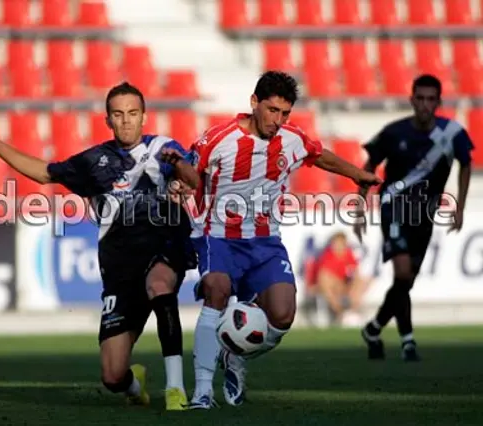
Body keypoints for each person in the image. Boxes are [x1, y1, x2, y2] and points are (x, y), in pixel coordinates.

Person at [0, 82, 200, 411]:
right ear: (108, 120)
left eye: (132, 113)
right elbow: (45, 174)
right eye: (118, 114)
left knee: (160, 283)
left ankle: (176, 389)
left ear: (144, 116)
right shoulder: (93, 160)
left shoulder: (163, 148)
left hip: (164, 247)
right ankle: (133, 384)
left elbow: (194, 180)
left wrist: (182, 168)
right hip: (120, 268)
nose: (126, 121)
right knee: (112, 376)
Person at [178, 70, 382, 409]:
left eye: (285, 113)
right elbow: (189, 168)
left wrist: (358, 173)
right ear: (254, 103)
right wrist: (179, 182)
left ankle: (235, 353)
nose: (278, 120)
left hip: (264, 242)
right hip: (219, 238)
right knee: (216, 291)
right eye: (272, 110)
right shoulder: (218, 138)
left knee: (283, 315)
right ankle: (201, 392)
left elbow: (320, 155)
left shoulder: (292, 138)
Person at [355, 74, 474, 362]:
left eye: (430, 99)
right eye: (419, 98)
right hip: (393, 207)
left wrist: (459, 207)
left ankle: (373, 329)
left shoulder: (452, 133)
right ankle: (408, 341)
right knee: (403, 273)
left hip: (425, 214)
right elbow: (369, 164)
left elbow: (466, 164)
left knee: (405, 283)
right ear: (411, 100)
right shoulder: (395, 133)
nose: (424, 105)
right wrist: (360, 207)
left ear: (438, 102)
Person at [304, 231, 370, 326]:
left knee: (360, 282)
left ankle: (352, 312)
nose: (337, 246)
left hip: (343, 286)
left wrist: (354, 284)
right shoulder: (327, 256)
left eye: (340, 243)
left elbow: (355, 273)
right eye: (335, 243)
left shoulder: (348, 254)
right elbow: (323, 277)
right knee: (327, 283)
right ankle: (341, 313)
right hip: (329, 287)